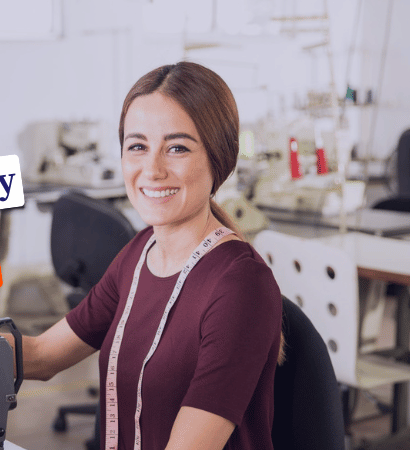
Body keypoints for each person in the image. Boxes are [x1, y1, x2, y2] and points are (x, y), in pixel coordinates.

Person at [15, 62, 282, 450]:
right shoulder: (139, 253)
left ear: (219, 158)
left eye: (177, 148)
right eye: (137, 146)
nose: (152, 170)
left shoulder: (241, 284)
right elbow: (42, 356)